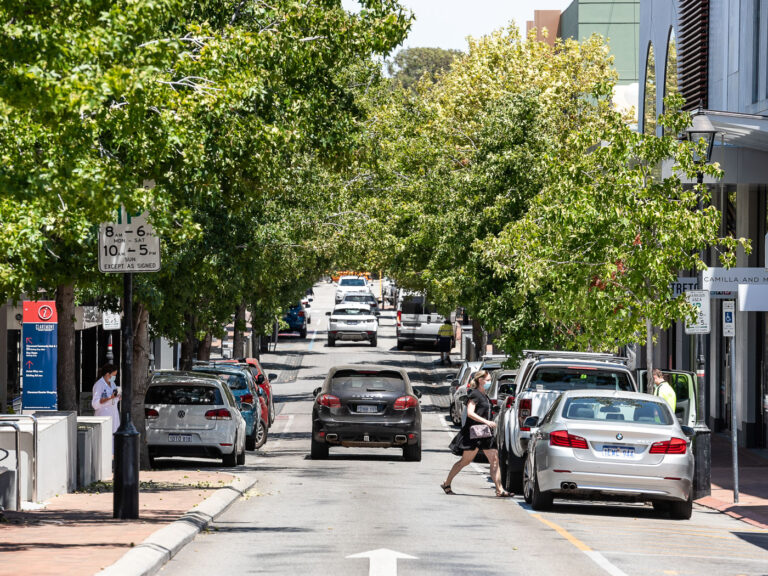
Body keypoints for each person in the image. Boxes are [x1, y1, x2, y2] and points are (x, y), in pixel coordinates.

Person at [441, 371, 511, 497]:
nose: (489, 382)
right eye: (488, 380)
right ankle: (446, 483)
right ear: (480, 380)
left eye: (490, 380)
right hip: (474, 433)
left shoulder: (485, 396)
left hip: (486, 433)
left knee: (495, 460)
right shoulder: (474, 394)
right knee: (465, 461)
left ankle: (499, 489)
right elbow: (470, 413)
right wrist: (486, 422)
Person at [92, 363, 121, 435]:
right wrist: (110, 397)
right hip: (103, 416)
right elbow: (95, 404)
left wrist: (118, 397)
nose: (115, 377)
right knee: (105, 437)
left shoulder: (113, 384)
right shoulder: (99, 385)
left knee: (113, 437)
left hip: (114, 416)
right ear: (108, 374)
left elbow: (113, 399)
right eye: (114, 375)